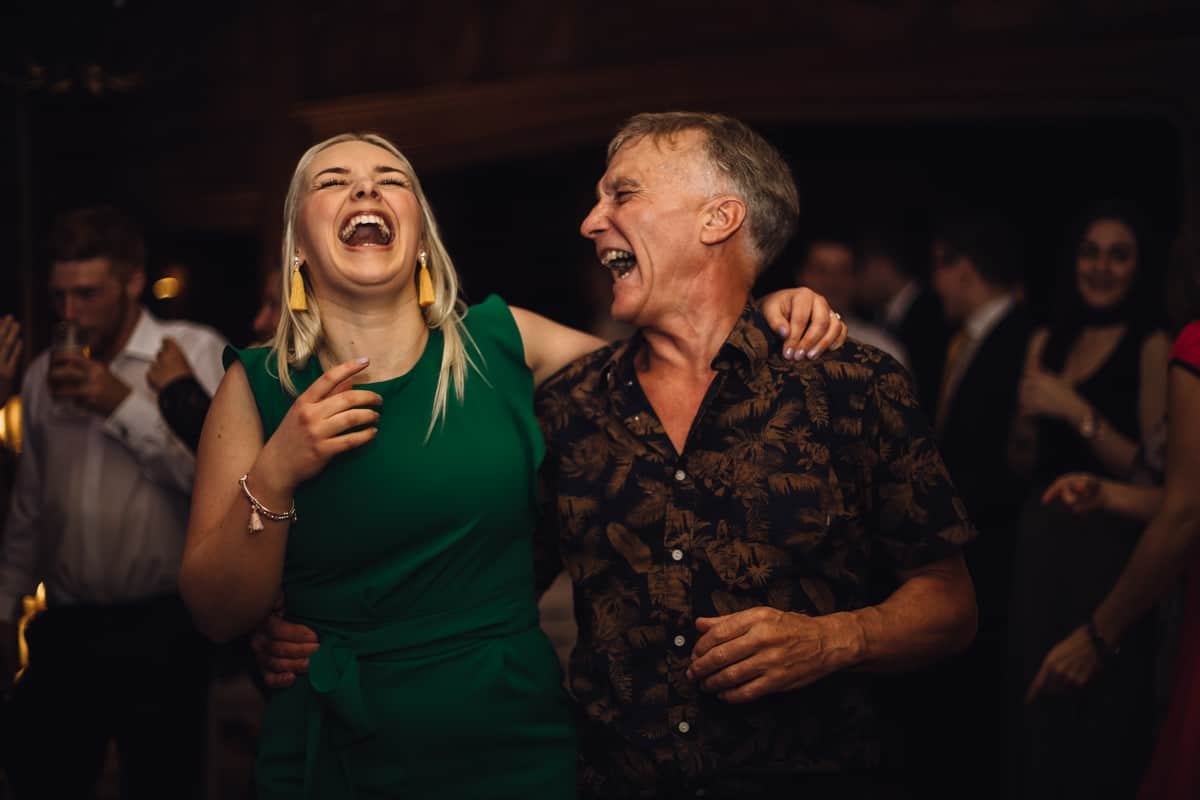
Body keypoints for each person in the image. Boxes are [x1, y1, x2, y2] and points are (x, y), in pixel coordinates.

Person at [180, 131, 844, 799]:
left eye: (391, 178)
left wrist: (757, 318)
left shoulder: (503, 341)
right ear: (297, 242)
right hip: (338, 740)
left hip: (506, 730)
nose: (365, 188)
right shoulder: (256, 385)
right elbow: (216, 615)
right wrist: (277, 470)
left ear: (420, 234)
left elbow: (676, 372)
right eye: (332, 182)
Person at [0, 205, 228, 799]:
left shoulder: (194, 351)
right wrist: (5, 608)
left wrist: (122, 405)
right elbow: (29, 504)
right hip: (67, 628)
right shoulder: (42, 375)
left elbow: (223, 486)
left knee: (163, 785)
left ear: (132, 281)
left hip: (163, 628)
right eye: (59, 296)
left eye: (88, 294)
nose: (69, 314)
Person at [1027, 228, 1200, 799]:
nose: (1101, 267)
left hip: (1120, 558)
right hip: (1049, 544)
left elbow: (1171, 489)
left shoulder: (1159, 344)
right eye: (1090, 252)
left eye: (1119, 255)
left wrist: (1077, 413)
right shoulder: (1050, 338)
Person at [148, 269, 283, 453]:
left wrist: (180, 391)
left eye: (274, 305)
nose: (258, 323)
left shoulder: (202, 346)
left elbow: (241, 457)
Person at [856, 230, 952, 414]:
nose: (854, 281)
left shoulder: (931, 313)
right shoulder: (881, 316)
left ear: (880, 265)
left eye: (859, 269)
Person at [794, 236, 911, 369]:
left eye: (843, 271)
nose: (832, 282)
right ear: (800, 275)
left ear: (856, 279)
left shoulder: (882, 350)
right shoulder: (781, 341)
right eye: (821, 270)